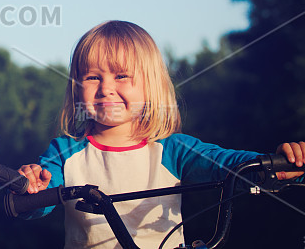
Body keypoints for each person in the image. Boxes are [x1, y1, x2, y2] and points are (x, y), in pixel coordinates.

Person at [18, 20, 304, 249]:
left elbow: (230, 165)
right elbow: (36, 203)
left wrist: (278, 165)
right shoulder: (64, 151)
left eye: (121, 76)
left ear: (149, 85)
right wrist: (31, 184)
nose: (105, 88)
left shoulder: (172, 150)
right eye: (93, 77)